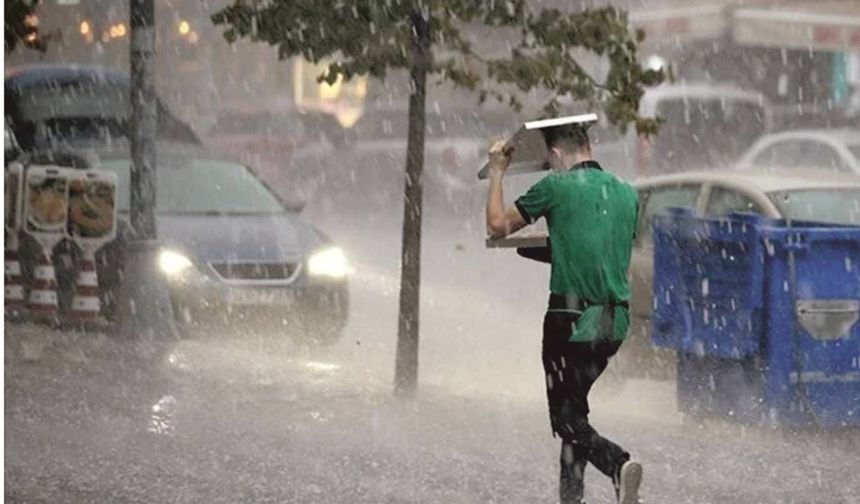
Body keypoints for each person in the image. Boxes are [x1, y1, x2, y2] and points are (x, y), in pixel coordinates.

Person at [485, 122, 642, 504]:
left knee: (565, 420)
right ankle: (571, 500)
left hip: (569, 321)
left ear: (555, 154)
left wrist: (496, 173)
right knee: (576, 415)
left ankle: (617, 463)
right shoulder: (626, 194)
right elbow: (598, 250)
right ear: (590, 145)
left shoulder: (555, 187)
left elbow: (497, 226)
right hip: (614, 324)